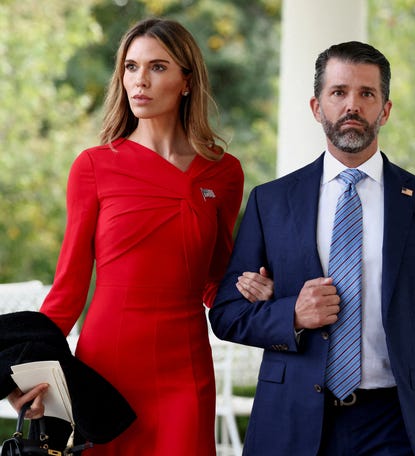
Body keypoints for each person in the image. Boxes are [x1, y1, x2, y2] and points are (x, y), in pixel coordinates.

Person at [7, 17, 273, 455]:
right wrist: (35, 373)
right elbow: (68, 291)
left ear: (187, 81)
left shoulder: (224, 173)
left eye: (158, 67)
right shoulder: (93, 166)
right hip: (106, 369)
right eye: (131, 67)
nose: (140, 81)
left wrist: (251, 289)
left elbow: (214, 281)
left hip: (185, 369)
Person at [209, 41, 415, 456]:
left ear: (386, 110)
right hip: (293, 418)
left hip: (396, 423)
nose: (352, 106)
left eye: (367, 94)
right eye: (339, 93)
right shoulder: (271, 202)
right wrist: (292, 313)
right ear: (316, 107)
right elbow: (227, 314)